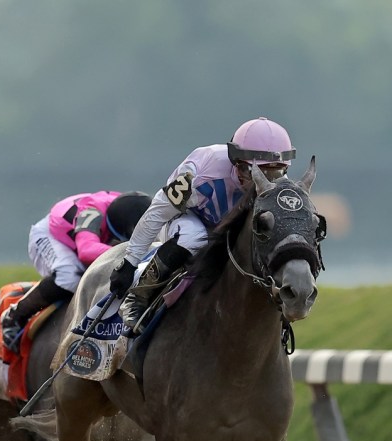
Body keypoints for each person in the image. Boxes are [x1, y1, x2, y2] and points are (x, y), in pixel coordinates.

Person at [106, 116, 296, 356]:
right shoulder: (200, 173)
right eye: (256, 172)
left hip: (227, 228)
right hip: (189, 219)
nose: (264, 182)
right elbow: (157, 213)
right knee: (194, 237)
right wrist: (130, 262)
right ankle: (139, 296)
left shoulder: (278, 185)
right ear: (236, 162)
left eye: (276, 172)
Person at [0, 190, 151, 352]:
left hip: (89, 238)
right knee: (70, 276)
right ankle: (15, 316)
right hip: (53, 236)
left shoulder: (142, 210)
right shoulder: (92, 211)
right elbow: (86, 251)